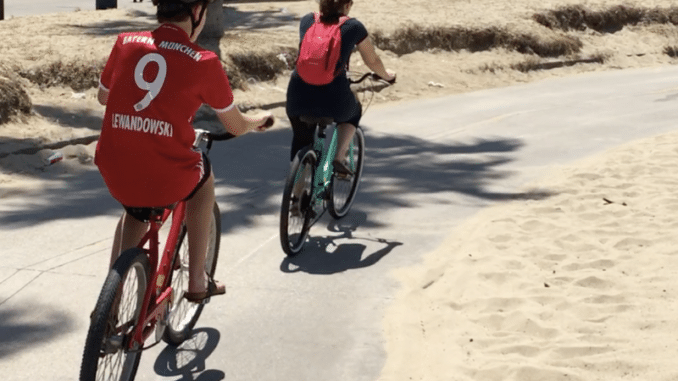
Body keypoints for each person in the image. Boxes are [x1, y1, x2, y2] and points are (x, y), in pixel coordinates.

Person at [95, 0, 272, 303]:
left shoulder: (125, 42)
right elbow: (233, 124)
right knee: (204, 180)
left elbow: (103, 97)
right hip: (164, 174)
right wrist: (258, 120)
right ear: (198, 13)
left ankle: (109, 306)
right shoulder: (203, 61)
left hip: (113, 167)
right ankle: (197, 282)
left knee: (135, 210)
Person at [286, 0, 396, 175]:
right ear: (347, 5)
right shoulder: (353, 27)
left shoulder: (307, 20)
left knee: (302, 141)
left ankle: (296, 199)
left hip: (298, 95)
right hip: (333, 98)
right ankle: (338, 157)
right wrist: (387, 76)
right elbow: (372, 61)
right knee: (354, 111)